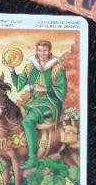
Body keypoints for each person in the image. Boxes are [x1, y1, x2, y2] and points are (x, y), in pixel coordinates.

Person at [7, 40, 67, 169]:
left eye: (45, 51)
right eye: (40, 50)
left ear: (49, 51)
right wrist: (12, 71)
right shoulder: (31, 66)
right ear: (37, 51)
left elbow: (62, 91)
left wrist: (45, 89)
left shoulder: (56, 68)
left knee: (27, 121)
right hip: (33, 102)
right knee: (15, 115)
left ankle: (33, 158)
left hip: (50, 104)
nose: (42, 53)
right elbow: (19, 84)